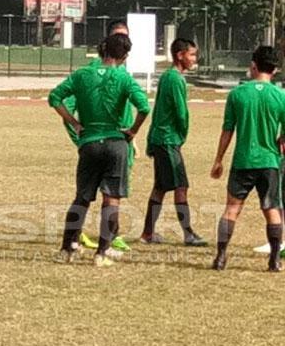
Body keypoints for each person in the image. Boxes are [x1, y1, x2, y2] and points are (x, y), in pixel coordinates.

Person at [48, 33, 150, 267]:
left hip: (90, 142)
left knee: (82, 197)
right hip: (116, 143)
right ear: (124, 56)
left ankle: (67, 248)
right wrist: (133, 130)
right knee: (111, 199)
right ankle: (102, 253)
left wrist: (74, 122)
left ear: (102, 50)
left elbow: (54, 97)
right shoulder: (123, 78)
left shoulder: (83, 75)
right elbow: (144, 107)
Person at [209, 46, 285, 272]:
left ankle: (221, 256)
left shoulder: (237, 94)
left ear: (253, 65)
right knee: (272, 209)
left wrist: (218, 159)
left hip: (243, 160)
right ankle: (274, 259)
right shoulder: (280, 96)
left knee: (231, 209)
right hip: (269, 161)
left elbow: (227, 130)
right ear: (275, 69)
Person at [67, 20, 133, 253]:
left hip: (118, 141)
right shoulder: (91, 72)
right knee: (103, 195)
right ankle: (89, 242)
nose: (122, 43)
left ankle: (106, 240)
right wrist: (77, 133)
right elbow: (67, 101)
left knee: (109, 195)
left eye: (125, 39)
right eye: (119, 38)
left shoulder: (123, 73)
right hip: (105, 141)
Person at [140, 39, 207, 246]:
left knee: (160, 187)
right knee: (181, 186)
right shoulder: (175, 79)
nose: (194, 59)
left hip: (160, 138)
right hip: (168, 140)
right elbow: (181, 113)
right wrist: (182, 135)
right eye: (192, 55)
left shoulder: (167, 77)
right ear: (180, 55)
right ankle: (188, 233)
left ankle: (147, 233)